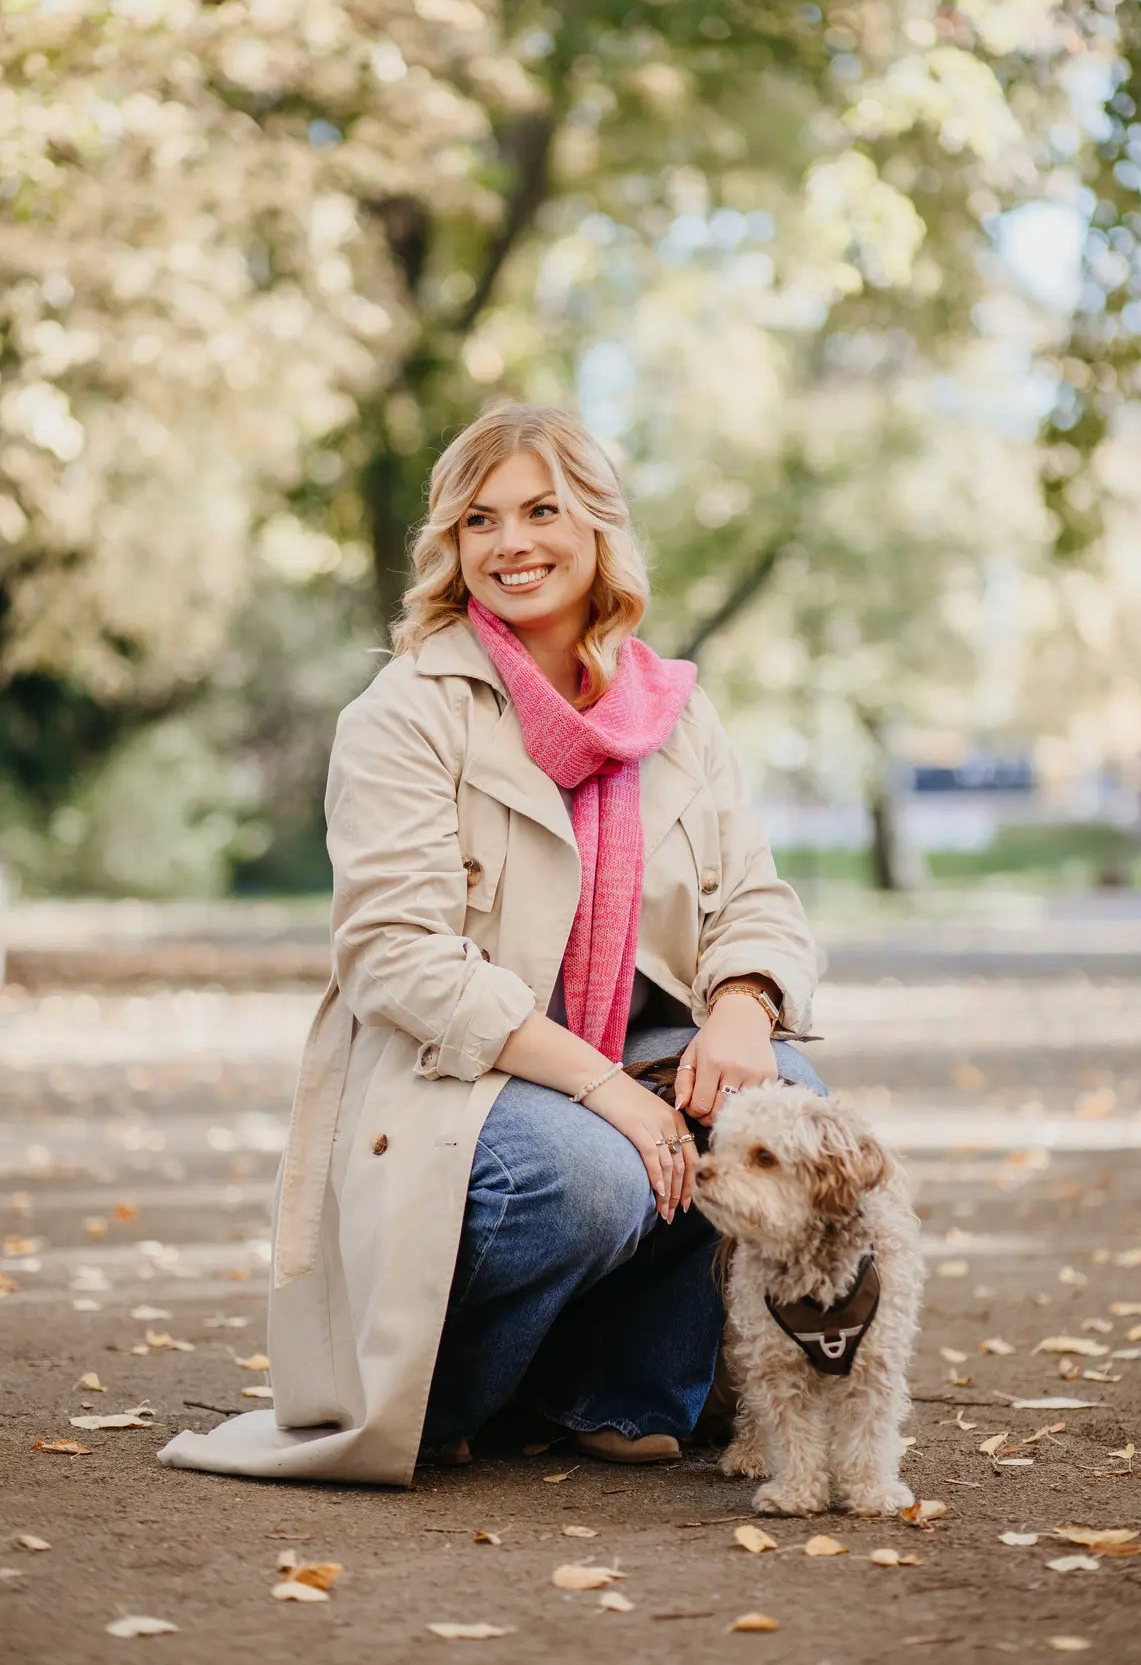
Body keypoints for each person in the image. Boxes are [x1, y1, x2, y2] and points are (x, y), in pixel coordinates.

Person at [158, 403, 822, 1487]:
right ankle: (451, 1397)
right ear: (452, 545)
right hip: (455, 1076)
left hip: (628, 1051)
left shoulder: (676, 716)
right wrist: (607, 1088)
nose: (511, 542)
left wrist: (745, 1002)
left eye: (541, 510)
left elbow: (753, 895)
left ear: (597, 524)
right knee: (589, 1171)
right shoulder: (406, 711)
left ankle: (619, 1393)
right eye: (480, 519)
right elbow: (395, 953)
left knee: (782, 1093)